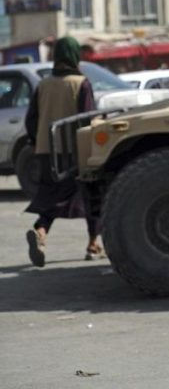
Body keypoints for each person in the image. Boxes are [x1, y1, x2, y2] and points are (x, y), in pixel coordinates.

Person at [24, 36, 100, 267]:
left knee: (52, 196)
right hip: (74, 153)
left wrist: (38, 142)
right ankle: (93, 244)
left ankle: (41, 232)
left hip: (46, 153)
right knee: (92, 195)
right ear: (75, 56)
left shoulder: (43, 84)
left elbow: (31, 120)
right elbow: (87, 119)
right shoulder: (81, 83)